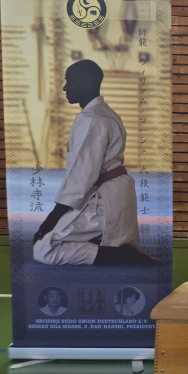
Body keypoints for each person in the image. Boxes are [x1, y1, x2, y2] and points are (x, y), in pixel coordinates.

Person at [32, 59, 157, 265]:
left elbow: (81, 178)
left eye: (70, 82)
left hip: (102, 203)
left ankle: (121, 256)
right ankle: (106, 244)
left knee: (44, 248)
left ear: (87, 83)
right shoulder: (106, 113)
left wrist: (49, 222)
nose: (65, 88)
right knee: (58, 232)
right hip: (112, 196)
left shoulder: (93, 119)